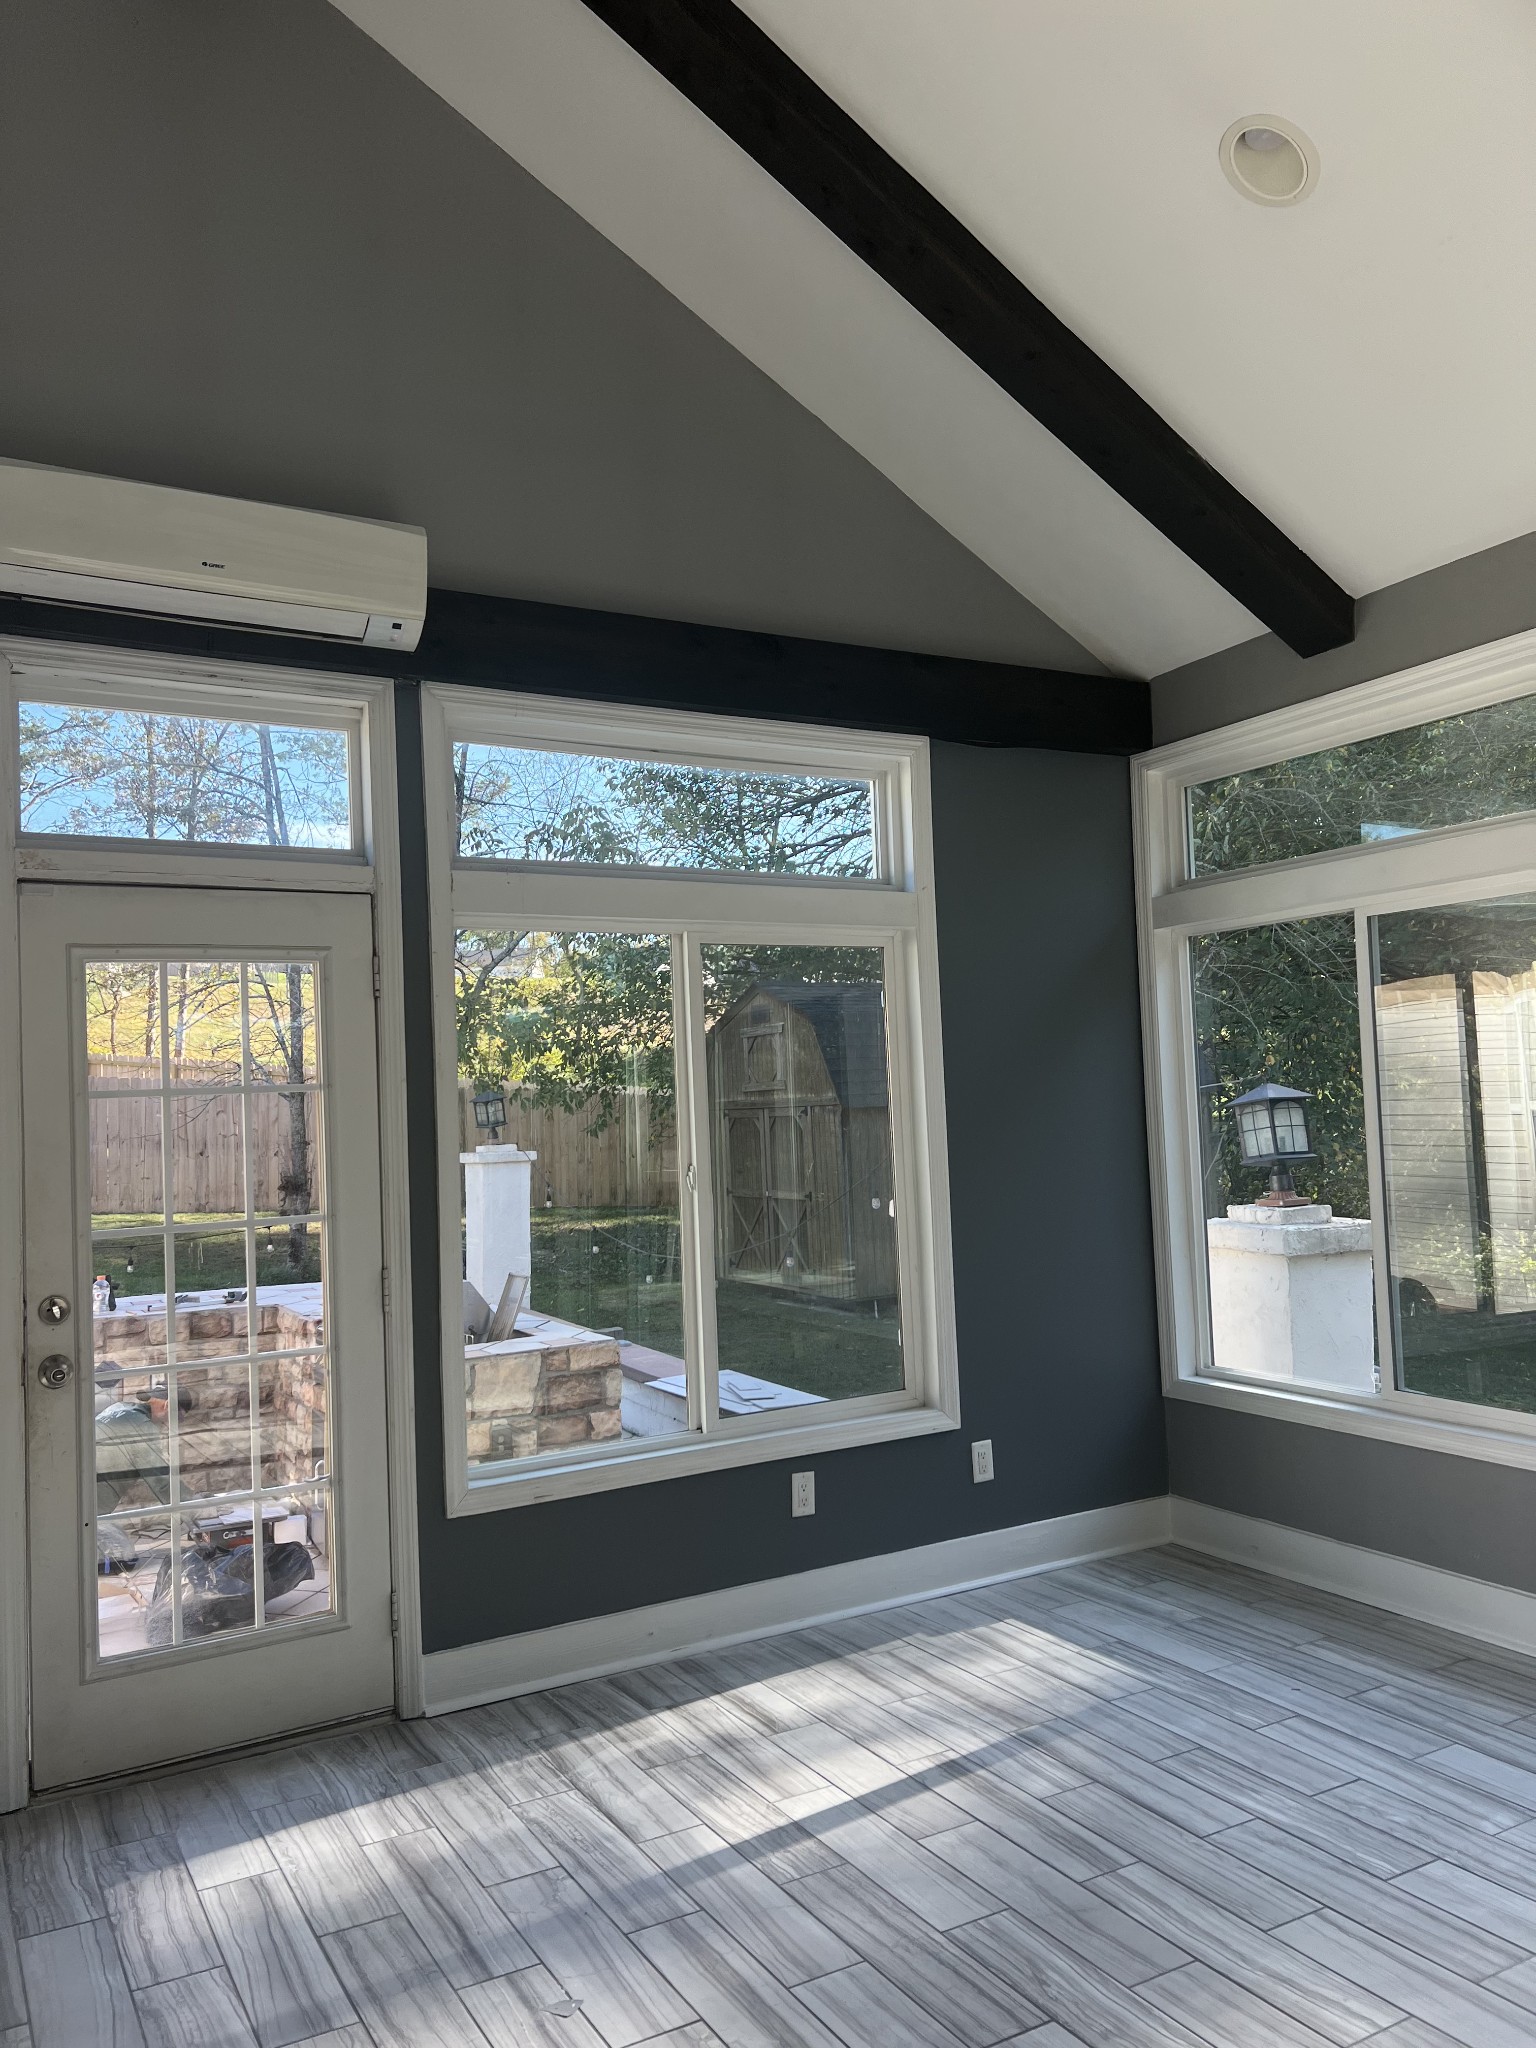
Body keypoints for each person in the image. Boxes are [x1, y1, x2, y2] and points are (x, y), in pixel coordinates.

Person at [95, 1381, 195, 1572]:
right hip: (88, 1507)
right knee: (123, 1559)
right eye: (178, 1419)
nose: (172, 1425)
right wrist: (194, 1506)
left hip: (83, 1500)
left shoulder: (120, 1408)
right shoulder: (141, 1425)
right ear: (168, 1406)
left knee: (118, 1543)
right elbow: (160, 1480)